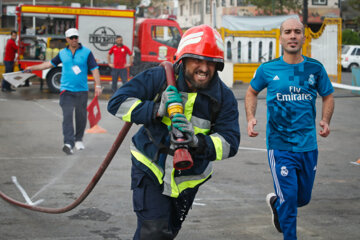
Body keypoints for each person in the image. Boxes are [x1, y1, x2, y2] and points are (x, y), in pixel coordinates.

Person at [107, 25, 240, 240]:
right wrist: (156, 109)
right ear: (182, 59)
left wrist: (197, 141)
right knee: (154, 232)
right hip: (151, 166)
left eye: (210, 62)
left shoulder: (224, 98)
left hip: (189, 179)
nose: (204, 68)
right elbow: (116, 103)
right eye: (197, 60)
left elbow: (230, 143)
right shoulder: (159, 78)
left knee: (164, 234)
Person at [244, 18, 335, 240]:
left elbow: (328, 95)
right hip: (280, 145)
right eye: (287, 32)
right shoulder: (268, 69)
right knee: (291, 201)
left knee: (302, 198)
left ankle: (277, 204)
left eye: (297, 32)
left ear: (304, 37)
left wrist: (325, 119)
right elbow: (251, 92)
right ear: (281, 37)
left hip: (308, 145)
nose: (292, 35)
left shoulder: (315, 68)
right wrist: (250, 117)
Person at [25, 28, 102, 155]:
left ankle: (78, 140)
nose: (74, 40)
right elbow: (48, 64)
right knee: (67, 116)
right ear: (67, 39)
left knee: (81, 117)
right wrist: (32, 68)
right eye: (71, 38)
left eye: (76, 37)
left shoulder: (87, 52)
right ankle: (68, 142)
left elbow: (94, 69)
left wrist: (98, 86)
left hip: (82, 90)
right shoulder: (62, 53)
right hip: (66, 91)